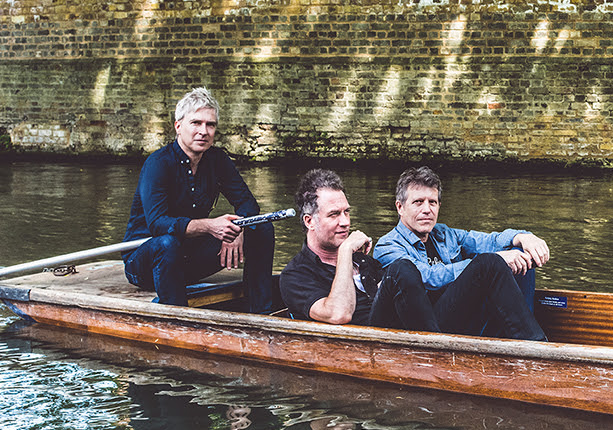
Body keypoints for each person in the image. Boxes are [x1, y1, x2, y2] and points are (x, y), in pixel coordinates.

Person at [121, 87, 274, 312]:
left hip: (187, 258)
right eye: (196, 123)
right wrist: (211, 226)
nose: (204, 131)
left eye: (210, 125)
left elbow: (247, 203)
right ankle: (179, 320)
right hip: (145, 262)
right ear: (178, 126)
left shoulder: (217, 160)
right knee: (167, 243)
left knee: (261, 228)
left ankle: (261, 312)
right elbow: (158, 224)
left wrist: (238, 227)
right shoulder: (158, 164)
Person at [373, 166, 548, 341]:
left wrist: (522, 237)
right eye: (418, 202)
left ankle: (520, 341)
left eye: (432, 202)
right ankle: (535, 345)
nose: (427, 209)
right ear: (400, 207)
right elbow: (428, 277)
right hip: (423, 328)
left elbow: (488, 241)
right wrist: (492, 261)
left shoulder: (444, 234)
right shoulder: (387, 246)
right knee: (490, 263)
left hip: (457, 320)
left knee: (520, 256)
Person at [278, 168, 436, 328]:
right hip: (364, 340)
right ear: (309, 221)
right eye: (334, 214)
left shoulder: (363, 261)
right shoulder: (295, 275)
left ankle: (437, 339)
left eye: (346, 212)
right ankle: (434, 342)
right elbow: (339, 314)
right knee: (401, 269)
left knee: (450, 283)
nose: (345, 222)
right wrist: (345, 250)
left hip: (402, 331)